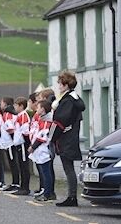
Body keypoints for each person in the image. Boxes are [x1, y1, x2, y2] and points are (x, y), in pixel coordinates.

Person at [51, 71, 85, 207]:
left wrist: (52, 137)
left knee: (68, 168)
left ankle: (72, 197)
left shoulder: (67, 100)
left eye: (60, 83)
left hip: (66, 138)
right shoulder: (72, 98)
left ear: (65, 84)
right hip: (69, 137)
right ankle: (71, 196)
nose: (58, 86)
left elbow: (60, 121)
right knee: (68, 168)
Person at [29, 100, 54, 202]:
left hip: (43, 149)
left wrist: (33, 147)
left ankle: (48, 193)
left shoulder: (47, 121)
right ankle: (45, 191)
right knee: (43, 172)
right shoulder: (41, 119)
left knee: (46, 172)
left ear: (43, 109)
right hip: (39, 149)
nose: (36, 109)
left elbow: (42, 136)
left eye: (38, 107)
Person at [11, 97, 31, 196]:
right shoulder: (19, 115)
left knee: (24, 166)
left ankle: (25, 187)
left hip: (23, 143)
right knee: (21, 165)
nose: (14, 107)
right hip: (19, 143)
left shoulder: (23, 116)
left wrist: (25, 143)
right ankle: (22, 186)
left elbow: (25, 131)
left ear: (21, 106)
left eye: (16, 105)